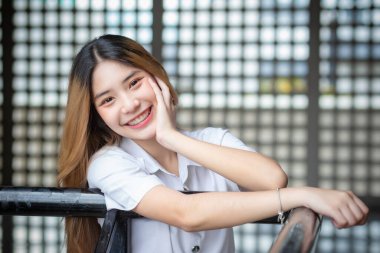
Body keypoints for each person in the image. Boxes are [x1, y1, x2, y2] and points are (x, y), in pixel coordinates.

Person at [57, 34, 368, 253]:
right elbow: (187, 214)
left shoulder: (210, 141)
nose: (129, 105)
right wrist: (305, 195)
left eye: (135, 82)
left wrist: (173, 138)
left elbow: (272, 179)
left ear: (157, 76)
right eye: (108, 99)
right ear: (96, 114)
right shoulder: (108, 163)